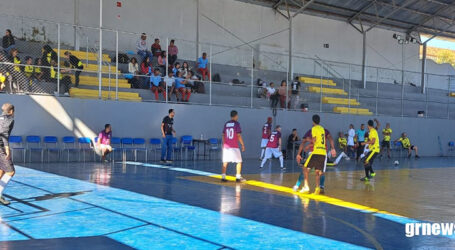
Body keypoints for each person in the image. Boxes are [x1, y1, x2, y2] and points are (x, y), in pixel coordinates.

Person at [295, 115, 336, 194]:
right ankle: (318, 188)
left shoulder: (313, 129)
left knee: (305, 168)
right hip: (323, 153)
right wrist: (333, 148)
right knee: (318, 171)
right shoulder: (323, 130)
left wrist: (308, 142)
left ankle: (305, 187)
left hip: (315, 152)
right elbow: (329, 138)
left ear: (313, 121)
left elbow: (312, 141)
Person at [221, 110, 246, 183]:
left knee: (225, 162)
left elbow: (223, 135)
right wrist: (242, 144)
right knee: (239, 162)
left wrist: (224, 143)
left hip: (226, 146)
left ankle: (223, 177)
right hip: (234, 146)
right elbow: (238, 135)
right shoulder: (237, 124)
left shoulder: (226, 124)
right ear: (236, 116)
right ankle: (238, 178)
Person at [0, 103, 15, 205]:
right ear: (11, 111)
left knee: (1, 169)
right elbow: (4, 135)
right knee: (10, 172)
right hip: (1, 148)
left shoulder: (0, 117)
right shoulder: (10, 120)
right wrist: (7, 149)